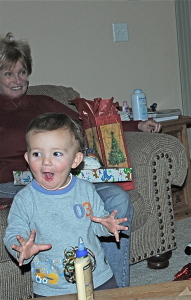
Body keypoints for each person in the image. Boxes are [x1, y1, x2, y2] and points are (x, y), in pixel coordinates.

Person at [0, 32, 161, 287]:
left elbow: (88, 123)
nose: (18, 80)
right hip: (12, 184)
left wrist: (137, 124)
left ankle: (113, 288)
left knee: (117, 197)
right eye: (9, 74)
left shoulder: (43, 103)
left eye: (22, 72)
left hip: (63, 175)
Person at [4, 113, 129, 297]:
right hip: (51, 287)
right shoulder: (25, 199)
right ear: (27, 158)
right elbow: (14, 233)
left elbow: (96, 222)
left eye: (56, 154)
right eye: (37, 154)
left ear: (76, 160)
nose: (46, 161)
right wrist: (22, 248)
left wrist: (108, 226)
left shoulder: (85, 190)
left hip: (98, 278)